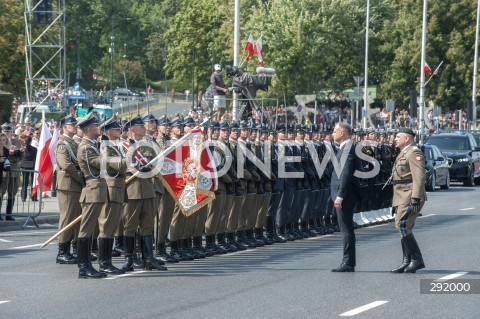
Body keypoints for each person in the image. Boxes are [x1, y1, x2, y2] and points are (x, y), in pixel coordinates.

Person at [390, 127, 426, 274]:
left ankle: (417, 259)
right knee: (402, 227)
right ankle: (407, 261)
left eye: (398, 137)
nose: (395, 139)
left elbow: (419, 177)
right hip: (401, 195)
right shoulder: (404, 152)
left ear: (407, 138)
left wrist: (416, 198)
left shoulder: (414, 152)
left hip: (409, 194)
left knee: (403, 225)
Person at [330, 122, 361, 272]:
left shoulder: (347, 149)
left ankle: (348, 262)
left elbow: (346, 175)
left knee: (346, 229)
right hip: (345, 194)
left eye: (335, 131)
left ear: (342, 133)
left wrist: (340, 195)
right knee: (346, 228)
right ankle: (348, 261)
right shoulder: (345, 148)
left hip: (346, 195)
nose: (333, 134)